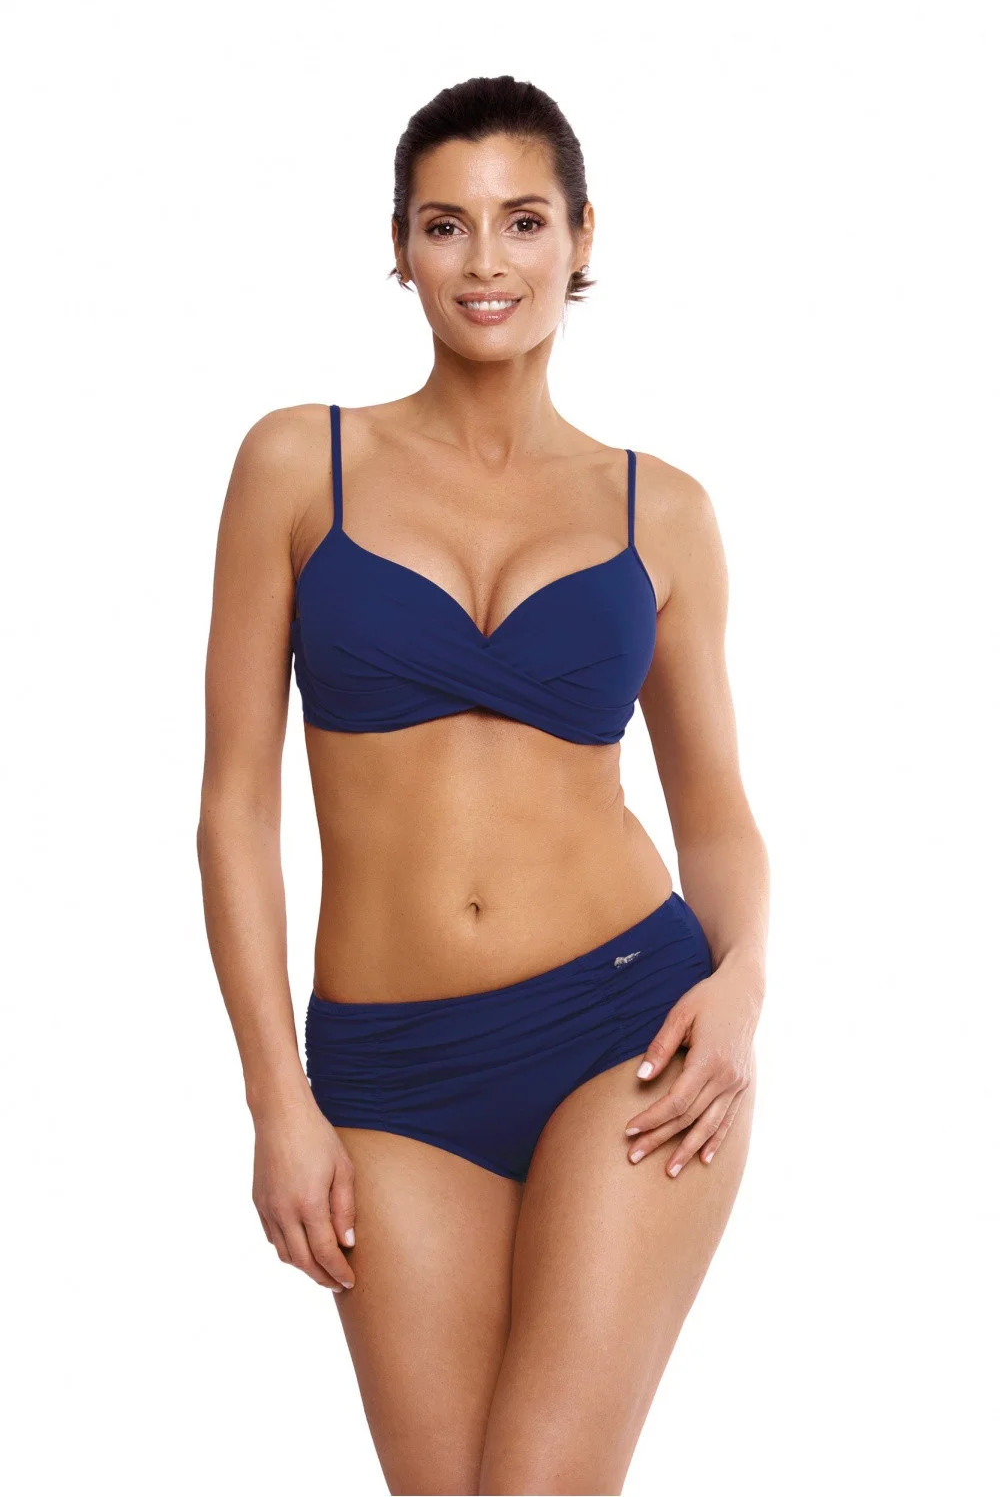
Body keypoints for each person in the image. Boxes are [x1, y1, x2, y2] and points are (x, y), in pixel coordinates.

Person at [197, 74, 768, 1497]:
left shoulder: (662, 510)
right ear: (401, 248)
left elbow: (715, 814)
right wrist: (276, 1100)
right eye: (445, 225)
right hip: (390, 1072)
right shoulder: (299, 463)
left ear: (582, 236)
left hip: (626, 1028)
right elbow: (234, 813)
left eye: (523, 220)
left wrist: (743, 988)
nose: (485, 261)